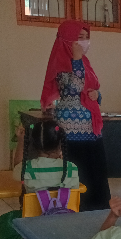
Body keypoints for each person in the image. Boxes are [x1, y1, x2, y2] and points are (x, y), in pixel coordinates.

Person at [0, 121, 80, 239]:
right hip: (65, 227)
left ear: (33, 144)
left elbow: (17, 166)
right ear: (60, 143)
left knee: (3, 222)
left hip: (34, 225)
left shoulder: (27, 168)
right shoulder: (71, 168)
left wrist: (21, 140)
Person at [41, 20, 111, 211]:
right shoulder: (62, 64)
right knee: (77, 171)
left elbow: (92, 89)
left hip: (91, 129)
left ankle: (99, 210)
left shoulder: (85, 64)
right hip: (71, 131)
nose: (84, 41)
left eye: (86, 37)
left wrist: (97, 95)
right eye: (79, 37)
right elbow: (73, 88)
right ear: (67, 40)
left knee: (95, 170)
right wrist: (77, 59)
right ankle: (77, 209)